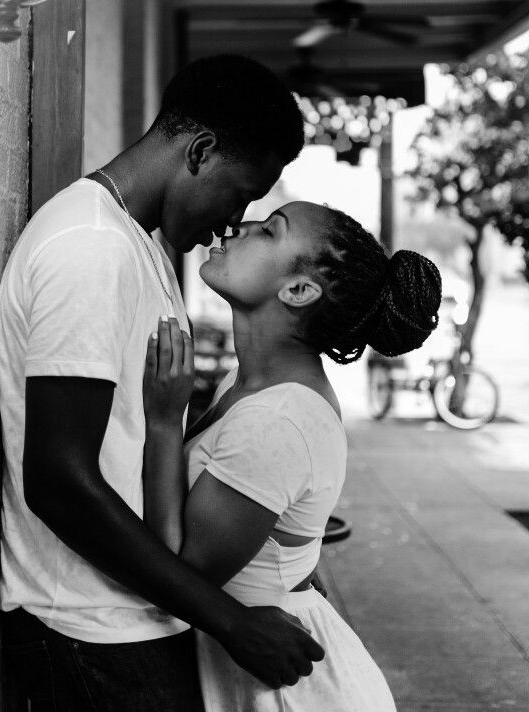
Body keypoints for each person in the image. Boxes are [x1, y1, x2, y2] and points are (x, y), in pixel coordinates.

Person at [0, 55, 324, 712]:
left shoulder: (136, 243)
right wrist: (228, 621)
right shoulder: (90, 246)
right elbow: (59, 481)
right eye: (240, 195)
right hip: (86, 634)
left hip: (129, 622)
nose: (233, 221)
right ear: (200, 150)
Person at [142, 201, 442, 712]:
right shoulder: (249, 384)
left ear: (299, 291)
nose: (238, 226)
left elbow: (178, 576)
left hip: (287, 691)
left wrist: (164, 422)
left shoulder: (278, 421)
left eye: (268, 231)